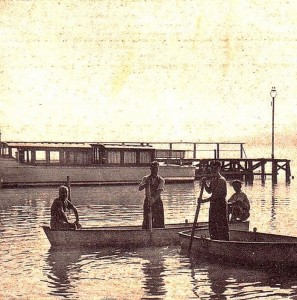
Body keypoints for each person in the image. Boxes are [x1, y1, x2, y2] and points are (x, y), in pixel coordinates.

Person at [199, 160, 229, 241]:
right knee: (212, 226)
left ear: (219, 168)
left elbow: (216, 196)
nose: (213, 170)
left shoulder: (221, 180)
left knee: (221, 225)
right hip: (213, 205)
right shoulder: (213, 179)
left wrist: (203, 201)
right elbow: (209, 191)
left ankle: (224, 243)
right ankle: (214, 242)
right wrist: (204, 184)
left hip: (220, 205)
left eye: (215, 168)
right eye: (212, 168)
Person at [139, 161, 165, 229]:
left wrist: (153, 200)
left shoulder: (161, 180)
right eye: (153, 168)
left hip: (157, 201)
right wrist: (146, 184)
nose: (155, 170)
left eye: (156, 168)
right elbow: (140, 188)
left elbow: (158, 192)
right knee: (146, 221)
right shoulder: (145, 178)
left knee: (159, 220)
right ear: (150, 169)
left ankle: (159, 233)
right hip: (147, 200)